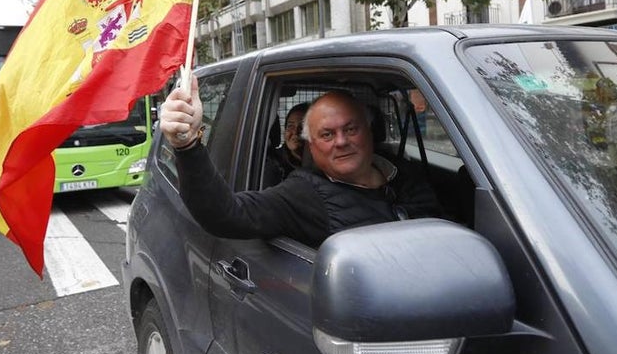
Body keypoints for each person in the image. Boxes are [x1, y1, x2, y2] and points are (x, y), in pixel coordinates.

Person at [160, 79, 444, 246]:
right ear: (312, 145)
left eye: (351, 129)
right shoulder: (302, 195)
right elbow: (227, 214)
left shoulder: (408, 176)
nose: (341, 141)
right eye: (327, 134)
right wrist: (187, 145)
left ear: (371, 130)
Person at [263, 102, 309, 184]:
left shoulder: (323, 162)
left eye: (302, 127)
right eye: (290, 126)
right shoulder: (272, 164)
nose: (295, 132)